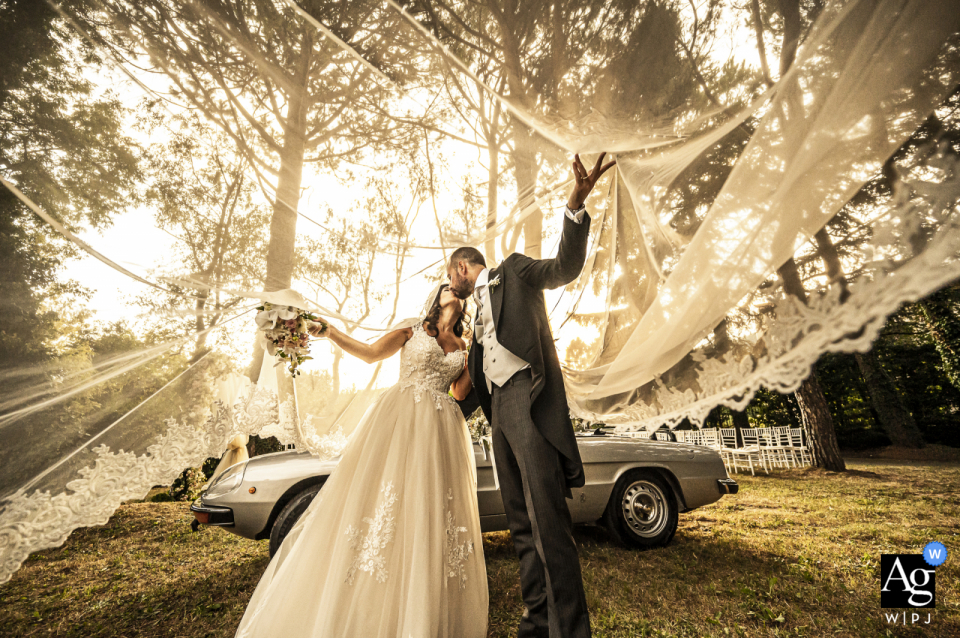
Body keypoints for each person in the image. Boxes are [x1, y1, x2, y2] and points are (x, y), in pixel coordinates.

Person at [234, 285, 487, 638]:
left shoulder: (465, 345)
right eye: (447, 287)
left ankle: (422, 599)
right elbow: (370, 355)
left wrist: (480, 352)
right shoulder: (413, 328)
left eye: (459, 291)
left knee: (430, 507)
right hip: (401, 420)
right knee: (386, 500)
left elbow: (459, 392)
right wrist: (332, 333)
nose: (454, 292)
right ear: (436, 295)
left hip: (442, 429)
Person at [448, 152, 615, 638]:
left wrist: (575, 206)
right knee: (520, 523)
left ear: (464, 266)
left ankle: (570, 630)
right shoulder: (470, 319)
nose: (449, 282)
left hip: (526, 400)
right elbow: (473, 383)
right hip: (498, 413)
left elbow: (565, 267)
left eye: (450, 273)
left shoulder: (513, 272)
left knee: (547, 520)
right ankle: (536, 623)